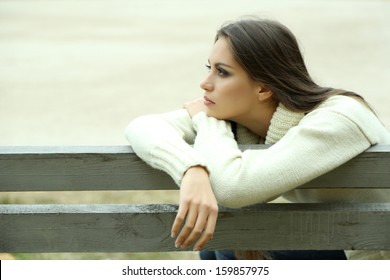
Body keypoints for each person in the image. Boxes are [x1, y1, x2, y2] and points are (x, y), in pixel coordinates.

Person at [125, 17, 390, 259]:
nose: (205, 83)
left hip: (372, 258)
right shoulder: (235, 114)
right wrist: (191, 169)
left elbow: (233, 189)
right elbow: (142, 126)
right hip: (337, 241)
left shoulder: (340, 117)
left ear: (263, 88)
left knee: (230, 237)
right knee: (223, 239)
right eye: (209, 68)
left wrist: (206, 122)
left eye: (222, 72)